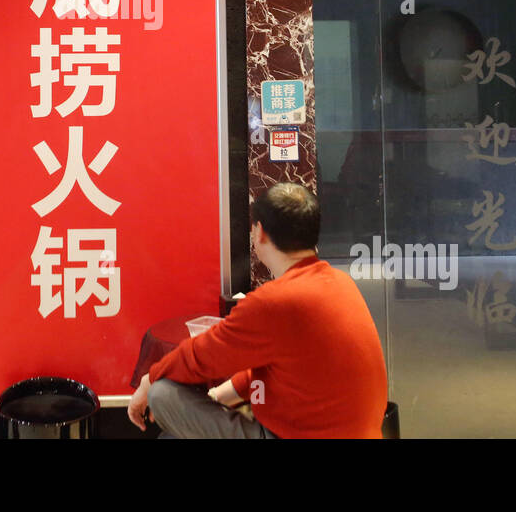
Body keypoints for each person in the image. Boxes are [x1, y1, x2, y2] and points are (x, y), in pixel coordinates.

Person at [127, 182, 387, 438]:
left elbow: (202, 356)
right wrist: (217, 397)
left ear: (259, 232)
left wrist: (149, 380)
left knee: (162, 394)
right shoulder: (340, 283)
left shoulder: (275, 301)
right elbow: (276, 371)